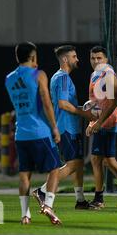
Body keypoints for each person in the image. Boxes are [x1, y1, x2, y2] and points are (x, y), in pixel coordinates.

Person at [33, 45, 96, 210]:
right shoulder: (62, 78)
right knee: (73, 164)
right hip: (66, 127)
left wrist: (83, 109)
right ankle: (42, 190)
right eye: (74, 56)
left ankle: (80, 200)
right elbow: (62, 104)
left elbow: (68, 103)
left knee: (79, 163)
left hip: (71, 127)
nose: (77, 59)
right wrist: (85, 114)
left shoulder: (62, 77)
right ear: (65, 59)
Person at [5, 42, 62, 225]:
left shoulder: (9, 78)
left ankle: (25, 215)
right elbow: (46, 102)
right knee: (54, 169)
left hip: (21, 133)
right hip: (40, 131)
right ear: (32, 57)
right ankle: (48, 205)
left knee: (24, 175)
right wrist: (54, 127)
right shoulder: (39, 75)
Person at [85, 46, 117, 209]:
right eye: (93, 58)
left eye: (99, 58)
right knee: (108, 161)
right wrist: (91, 121)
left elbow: (115, 100)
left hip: (108, 121)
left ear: (106, 60)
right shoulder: (94, 75)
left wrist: (99, 122)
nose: (96, 61)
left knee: (97, 160)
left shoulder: (107, 73)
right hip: (102, 121)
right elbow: (96, 102)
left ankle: (99, 198)